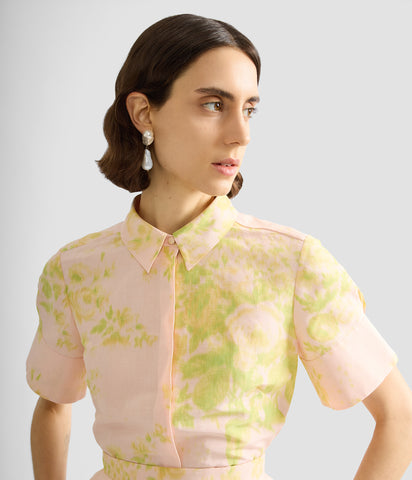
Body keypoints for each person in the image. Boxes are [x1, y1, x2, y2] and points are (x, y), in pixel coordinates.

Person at [27, 13, 412, 480]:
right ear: (144, 113)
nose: (241, 133)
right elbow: (53, 405)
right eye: (213, 104)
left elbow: (399, 416)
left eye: (249, 109)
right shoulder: (76, 270)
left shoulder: (291, 263)